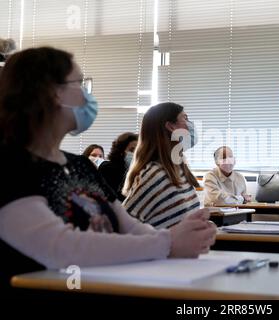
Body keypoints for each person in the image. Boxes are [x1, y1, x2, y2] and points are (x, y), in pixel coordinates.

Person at [0, 47, 216, 292]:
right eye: (79, 84)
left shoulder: (80, 165)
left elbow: (130, 226)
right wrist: (168, 242)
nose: (88, 95)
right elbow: (62, 248)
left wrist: (180, 237)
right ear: (52, 93)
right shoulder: (8, 165)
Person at [122, 102, 202, 229]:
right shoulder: (155, 175)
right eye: (185, 118)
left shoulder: (179, 169)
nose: (190, 124)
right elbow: (122, 226)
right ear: (171, 126)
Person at [98, 132, 138, 201]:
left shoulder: (140, 171)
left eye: (138, 150)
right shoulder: (108, 168)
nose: (135, 153)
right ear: (121, 152)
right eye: (132, 150)